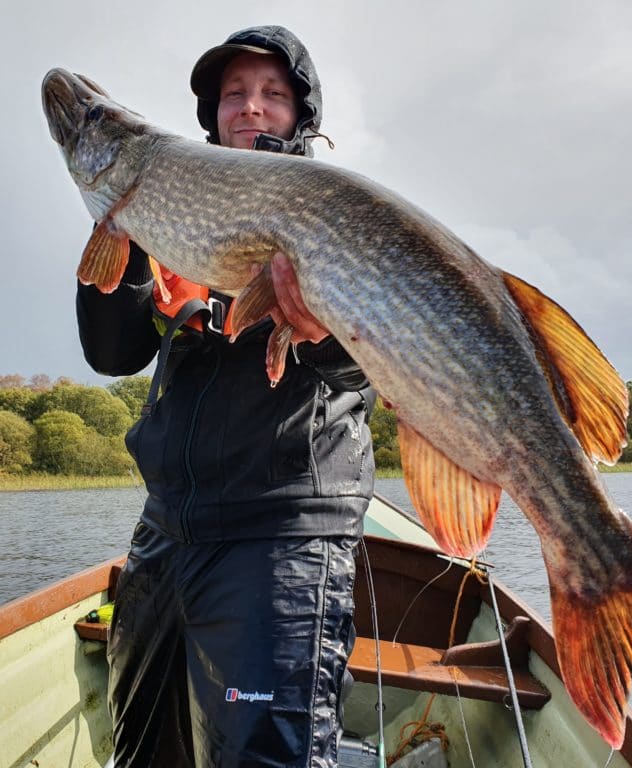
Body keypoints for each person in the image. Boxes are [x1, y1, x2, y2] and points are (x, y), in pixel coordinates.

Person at [76, 25, 375, 768]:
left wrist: (317, 329)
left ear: (301, 115)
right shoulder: (172, 207)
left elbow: (365, 371)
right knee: (147, 752)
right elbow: (112, 353)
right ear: (210, 113)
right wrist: (124, 243)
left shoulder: (330, 212)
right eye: (234, 94)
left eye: (273, 94)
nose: (251, 107)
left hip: (280, 538)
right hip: (166, 532)